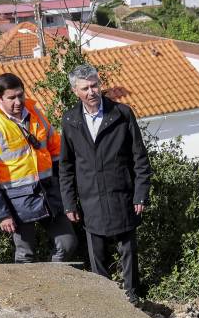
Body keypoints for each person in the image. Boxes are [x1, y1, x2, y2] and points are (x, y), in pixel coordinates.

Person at [58, 64, 149, 303]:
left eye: (94, 85)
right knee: (96, 255)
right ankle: (106, 302)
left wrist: (140, 194)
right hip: (90, 199)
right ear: (75, 91)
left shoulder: (122, 114)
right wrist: (69, 203)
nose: (92, 92)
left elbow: (140, 158)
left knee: (128, 252)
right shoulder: (70, 121)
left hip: (122, 194)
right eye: (85, 88)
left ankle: (132, 298)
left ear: (101, 85)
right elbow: (66, 166)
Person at [0, 72, 80, 264]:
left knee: (67, 244)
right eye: (11, 98)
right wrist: (2, 214)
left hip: (48, 193)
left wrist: (64, 187)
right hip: (16, 201)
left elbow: (56, 150)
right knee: (25, 256)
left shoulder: (36, 114)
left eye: (20, 95)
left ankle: (53, 282)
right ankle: (28, 294)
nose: (18, 101)